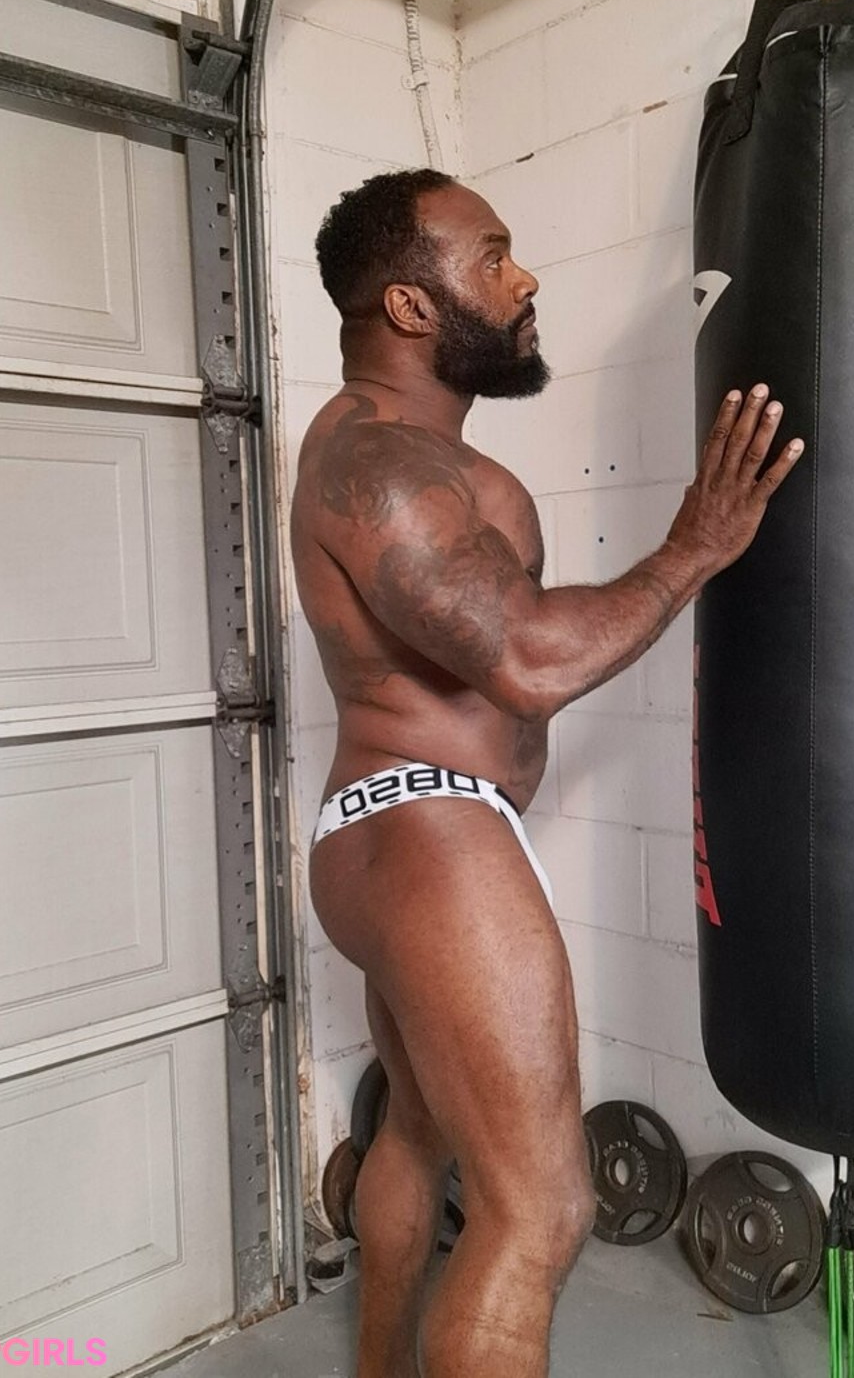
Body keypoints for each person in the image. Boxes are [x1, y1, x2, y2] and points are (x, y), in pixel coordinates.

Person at [290, 168, 803, 1378]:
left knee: (417, 1130)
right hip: (430, 830)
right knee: (541, 1212)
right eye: (492, 256)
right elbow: (525, 658)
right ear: (410, 306)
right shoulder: (383, 464)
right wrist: (692, 547)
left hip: (391, 826)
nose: (523, 281)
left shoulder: (380, 444)